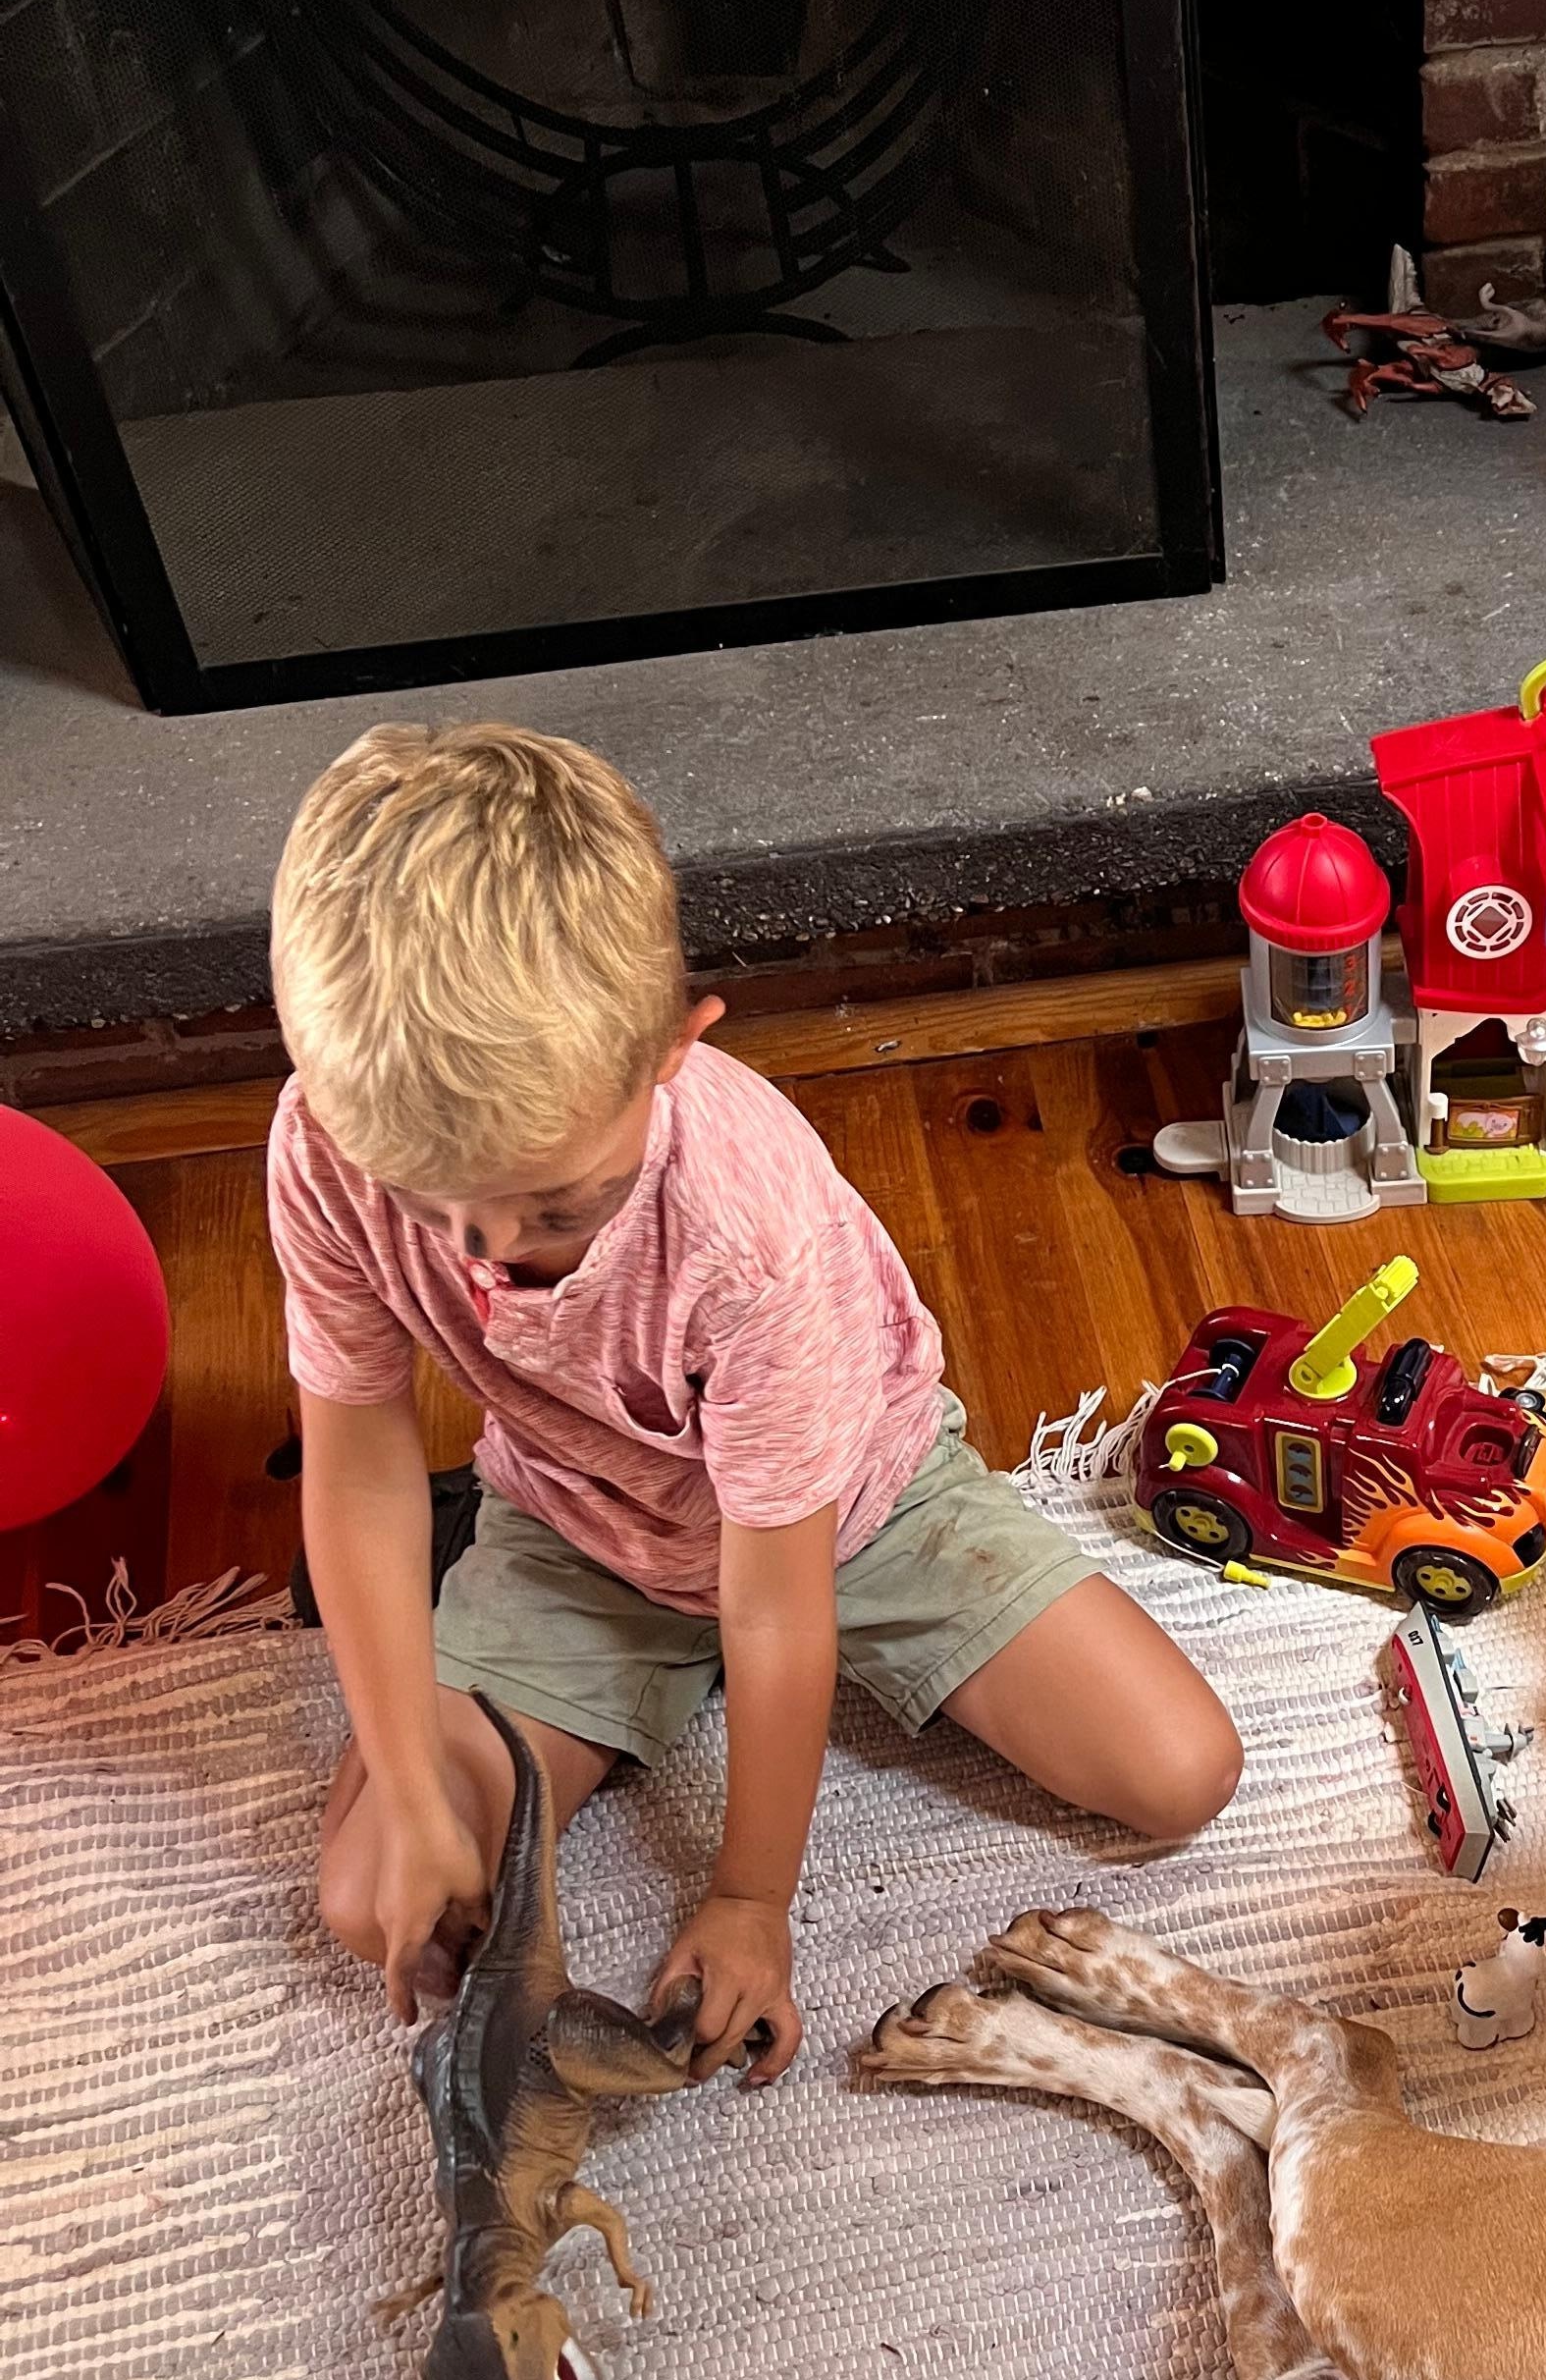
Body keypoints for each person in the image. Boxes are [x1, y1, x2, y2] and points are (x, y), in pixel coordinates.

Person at [267, 722, 1242, 2082]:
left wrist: (748, 1901)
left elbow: (776, 1594)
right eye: (442, 1212)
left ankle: (520, 1686)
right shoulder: (322, 1144)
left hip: (854, 1511)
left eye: (557, 1204)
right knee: (372, 1893)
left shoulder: (743, 1219)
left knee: (1179, 1771)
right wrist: (419, 1796)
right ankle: (483, 1683)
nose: (493, 1257)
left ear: (675, 1048)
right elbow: (356, 1466)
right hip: (581, 1521)